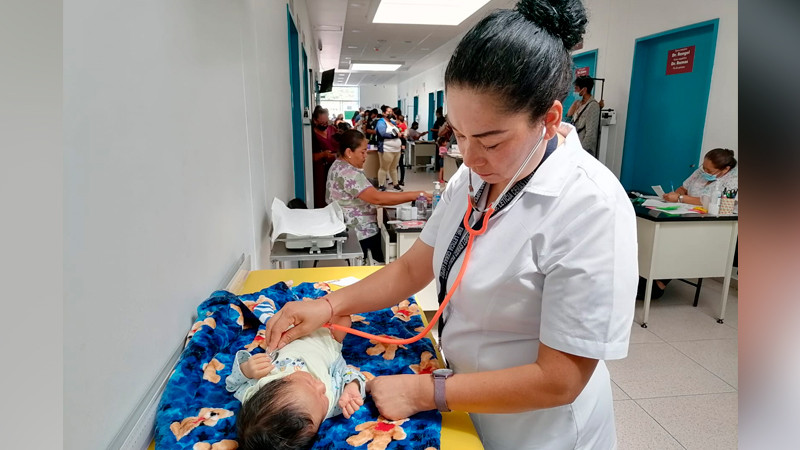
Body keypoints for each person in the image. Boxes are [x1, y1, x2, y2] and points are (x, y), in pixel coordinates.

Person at [266, 1, 637, 448]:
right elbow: (410, 269)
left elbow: (560, 379)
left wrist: (427, 392)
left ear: (549, 119)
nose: (471, 157)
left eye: (490, 140)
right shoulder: (474, 176)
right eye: (459, 134)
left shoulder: (591, 207)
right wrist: (327, 307)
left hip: (541, 430)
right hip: (467, 404)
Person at [228, 313, 367, 450]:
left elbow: (233, 384)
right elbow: (349, 373)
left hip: (289, 334)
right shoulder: (335, 405)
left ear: (284, 379)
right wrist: (353, 386)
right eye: (323, 397)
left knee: (292, 315)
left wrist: (247, 369)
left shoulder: (257, 393)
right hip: (327, 340)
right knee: (343, 319)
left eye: (310, 383)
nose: (322, 386)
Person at [640, 148, 738, 299]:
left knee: (676, 241)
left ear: (725, 169)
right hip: (684, 213)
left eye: (709, 170)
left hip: (709, 224)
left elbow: (711, 202)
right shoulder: (700, 172)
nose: (704, 171)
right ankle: (645, 273)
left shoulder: (732, 181)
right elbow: (683, 188)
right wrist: (675, 195)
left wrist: (680, 199)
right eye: (703, 167)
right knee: (658, 234)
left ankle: (659, 282)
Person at [327, 129, 433, 264]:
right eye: (363, 152)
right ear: (349, 152)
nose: (365, 156)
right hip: (360, 232)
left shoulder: (338, 165)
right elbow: (377, 198)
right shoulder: (348, 173)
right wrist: (415, 195)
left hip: (347, 226)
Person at [311, 105, 338, 208]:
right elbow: (310, 157)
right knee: (321, 194)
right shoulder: (312, 135)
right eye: (322, 123)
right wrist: (323, 154)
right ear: (315, 121)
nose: (325, 125)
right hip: (321, 170)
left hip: (334, 167)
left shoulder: (333, 130)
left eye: (326, 122)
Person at [566, 75, 601, 156]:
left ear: (584, 90)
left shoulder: (593, 106)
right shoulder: (579, 104)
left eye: (576, 89)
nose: (574, 92)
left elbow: (591, 134)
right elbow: (568, 121)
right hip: (574, 146)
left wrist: (580, 152)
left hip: (583, 150)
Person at [375, 105, 403, 191]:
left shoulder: (393, 123)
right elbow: (382, 134)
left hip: (396, 150)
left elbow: (399, 131)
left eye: (392, 112)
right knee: (384, 168)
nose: (391, 113)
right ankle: (381, 185)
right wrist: (395, 135)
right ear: (384, 113)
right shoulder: (381, 122)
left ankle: (396, 184)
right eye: (389, 112)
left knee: (394, 168)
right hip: (386, 149)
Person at [395, 111, 409, 186]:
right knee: (397, 164)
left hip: (401, 145)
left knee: (400, 163)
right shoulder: (399, 126)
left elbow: (404, 135)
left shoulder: (402, 126)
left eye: (396, 120)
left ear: (398, 120)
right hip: (398, 145)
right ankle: (396, 180)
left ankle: (401, 180)